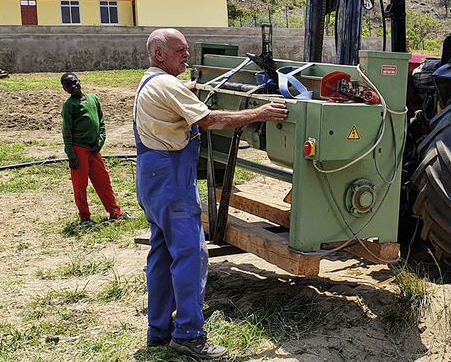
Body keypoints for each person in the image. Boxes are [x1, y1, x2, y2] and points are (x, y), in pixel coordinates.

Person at [134, 28, 288, 358]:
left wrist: (190, 89)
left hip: (152, 179)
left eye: (187, 50)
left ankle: (158, 331)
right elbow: (211, 120)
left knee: (161, 254)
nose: (186, 55)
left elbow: (177, 99)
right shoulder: (165, 85)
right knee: (192, 255)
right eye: (179, 51)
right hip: (172, 181)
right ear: (159, 55)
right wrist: (259, 114)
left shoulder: (151, 81)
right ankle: (189, 335)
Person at [60, 73, 128, 226]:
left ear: (79, 81)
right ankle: (85, 218)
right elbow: (67, 132)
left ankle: (115, 212)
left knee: (103, 181)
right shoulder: (69, 106)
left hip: (94, 150)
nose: (73, 86)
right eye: (68, 85)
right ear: (65, 89)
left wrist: (100, 142)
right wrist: (71, 155)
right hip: (79, 150)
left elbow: (101, 123)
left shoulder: (94, 99)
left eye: (75, 82)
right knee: (80, 185)